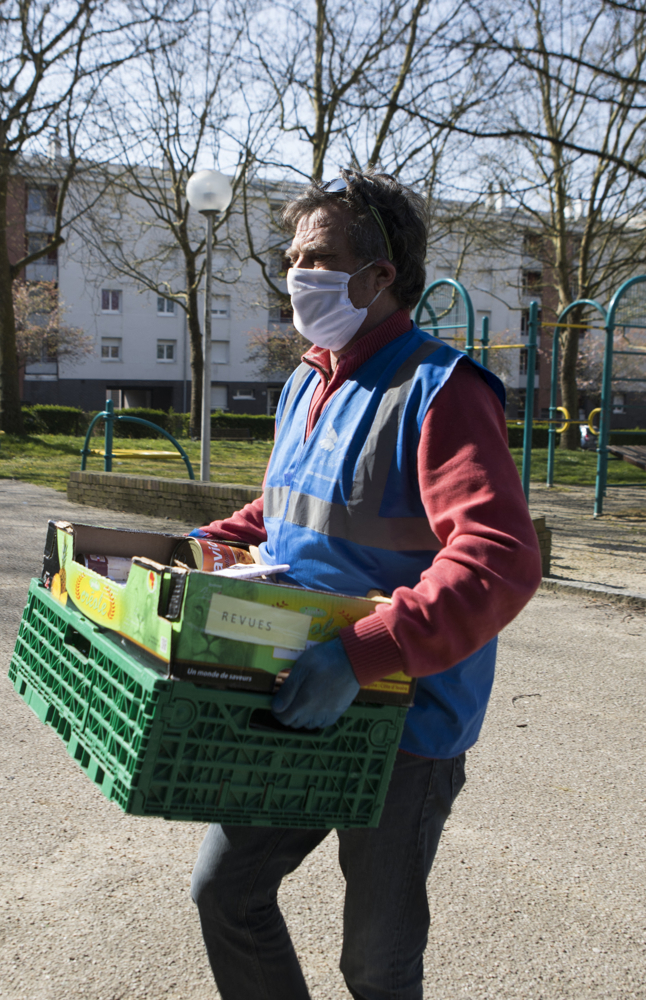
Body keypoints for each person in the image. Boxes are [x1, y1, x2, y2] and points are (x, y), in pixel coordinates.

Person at [187, 169, 543, 1000]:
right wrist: (199, 544)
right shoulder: (308, 380)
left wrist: (362, 654)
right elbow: (287, 509)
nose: (294, 276)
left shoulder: (442, 389)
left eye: (317, 258)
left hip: (403, 723)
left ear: (379, 277)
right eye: (291, 258)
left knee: (376, 966)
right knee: (226, 893)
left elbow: (498, 558)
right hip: (298, 694)